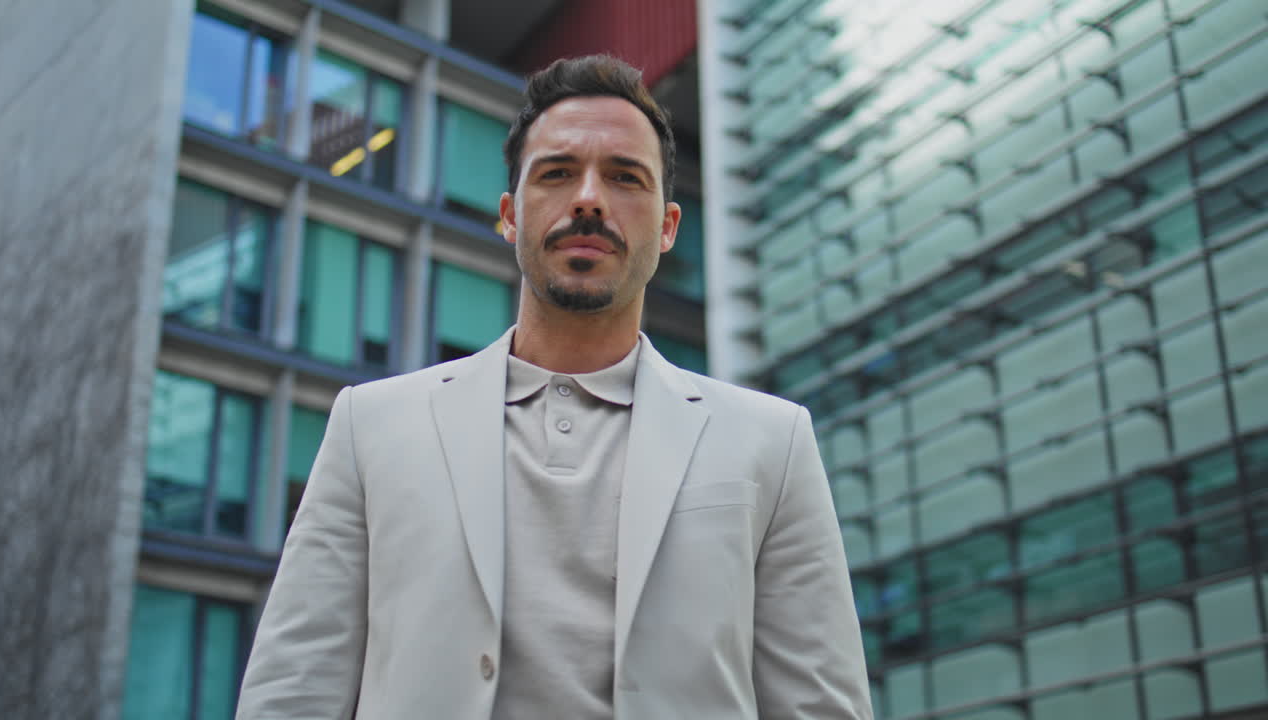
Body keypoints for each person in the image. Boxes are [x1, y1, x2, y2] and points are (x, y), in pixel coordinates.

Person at [235, 54, 872, 720]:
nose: (589, 198)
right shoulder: (371, 426)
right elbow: (294, 690)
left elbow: (820, 706)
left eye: (625, 177)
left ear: (668, 227)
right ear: (509, 215)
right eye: (558, 173)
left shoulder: (774, 441)